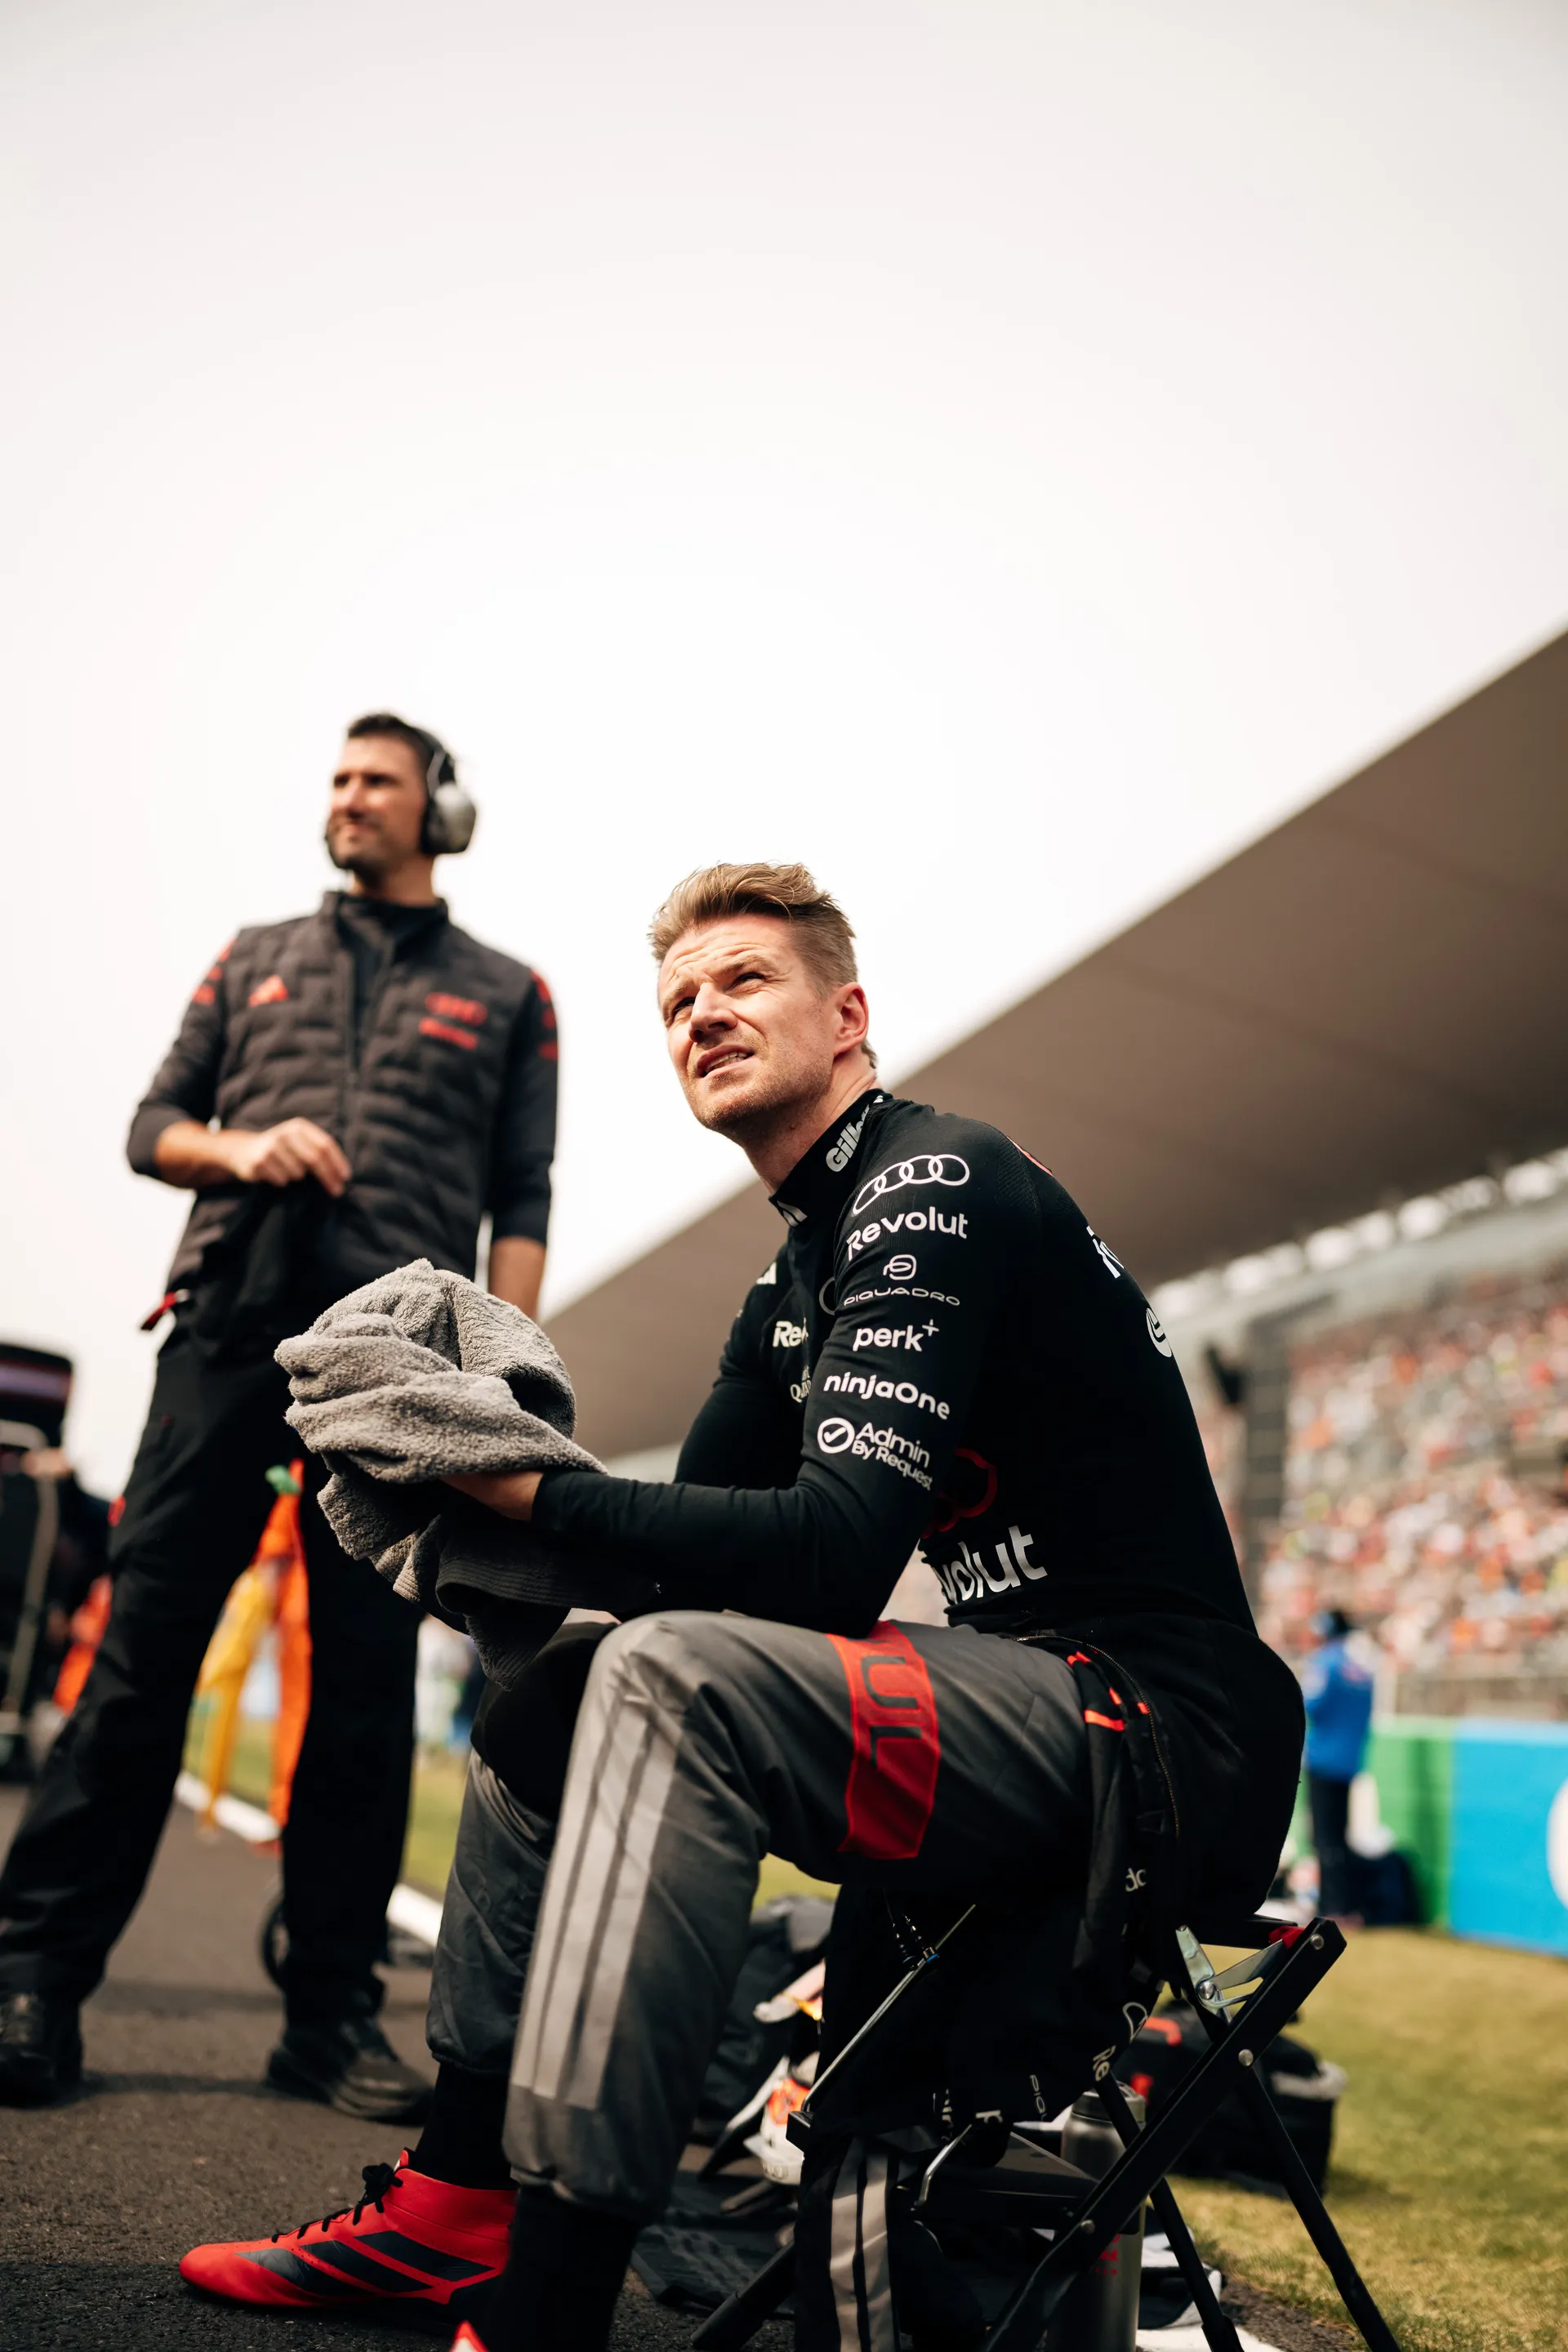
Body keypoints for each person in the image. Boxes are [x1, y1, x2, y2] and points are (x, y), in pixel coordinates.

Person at [179, 862, 1302, 2352]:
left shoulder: (937, 1176)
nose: (703, 1012)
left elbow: (831, 1555)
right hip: (1023, 1705)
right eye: (677, 1003)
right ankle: (456, 2210)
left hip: (1164, 1731)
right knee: (567, 1691)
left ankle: (548, 2309)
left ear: (848, 1016)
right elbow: (671, 1562)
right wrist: (458, 1466)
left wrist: (517, 1489)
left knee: (670, 1679)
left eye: (743, 982)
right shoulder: (787, 1285)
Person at [0, 715, 559, 2119]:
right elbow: (151, 1128)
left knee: (365, 1699)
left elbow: (524, 1196)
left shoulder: (511, 993)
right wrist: (242, 1148)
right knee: (139, 1663)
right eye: (338, 780)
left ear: (442, 805)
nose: (347, 799)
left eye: (376, 780)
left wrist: (496, 1382)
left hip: (399, 1376)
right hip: (226, 1329)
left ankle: (328, 2018)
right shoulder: (253, 957)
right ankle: (35, 1981)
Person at [1302, 1606, 1375, 1922]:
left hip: (1322, 1760)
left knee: (1324, 1838)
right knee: (1339, 1838)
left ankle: (1331, 1908)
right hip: (1349, 1761)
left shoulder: (1325, 1663)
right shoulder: (1363, 1667)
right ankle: (1342, 1905)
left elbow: (1311, 1703)